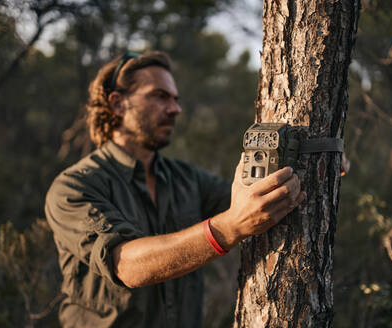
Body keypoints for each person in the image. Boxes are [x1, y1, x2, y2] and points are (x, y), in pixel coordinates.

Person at [45, 51, 305, 328]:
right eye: (159, 96)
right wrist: (228, 228)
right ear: (118, 104)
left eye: (175, 99)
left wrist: (314, 154)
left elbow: (254, 197)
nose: (174, 109)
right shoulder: (73, 187)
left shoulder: (185, 178)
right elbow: (125, 265)